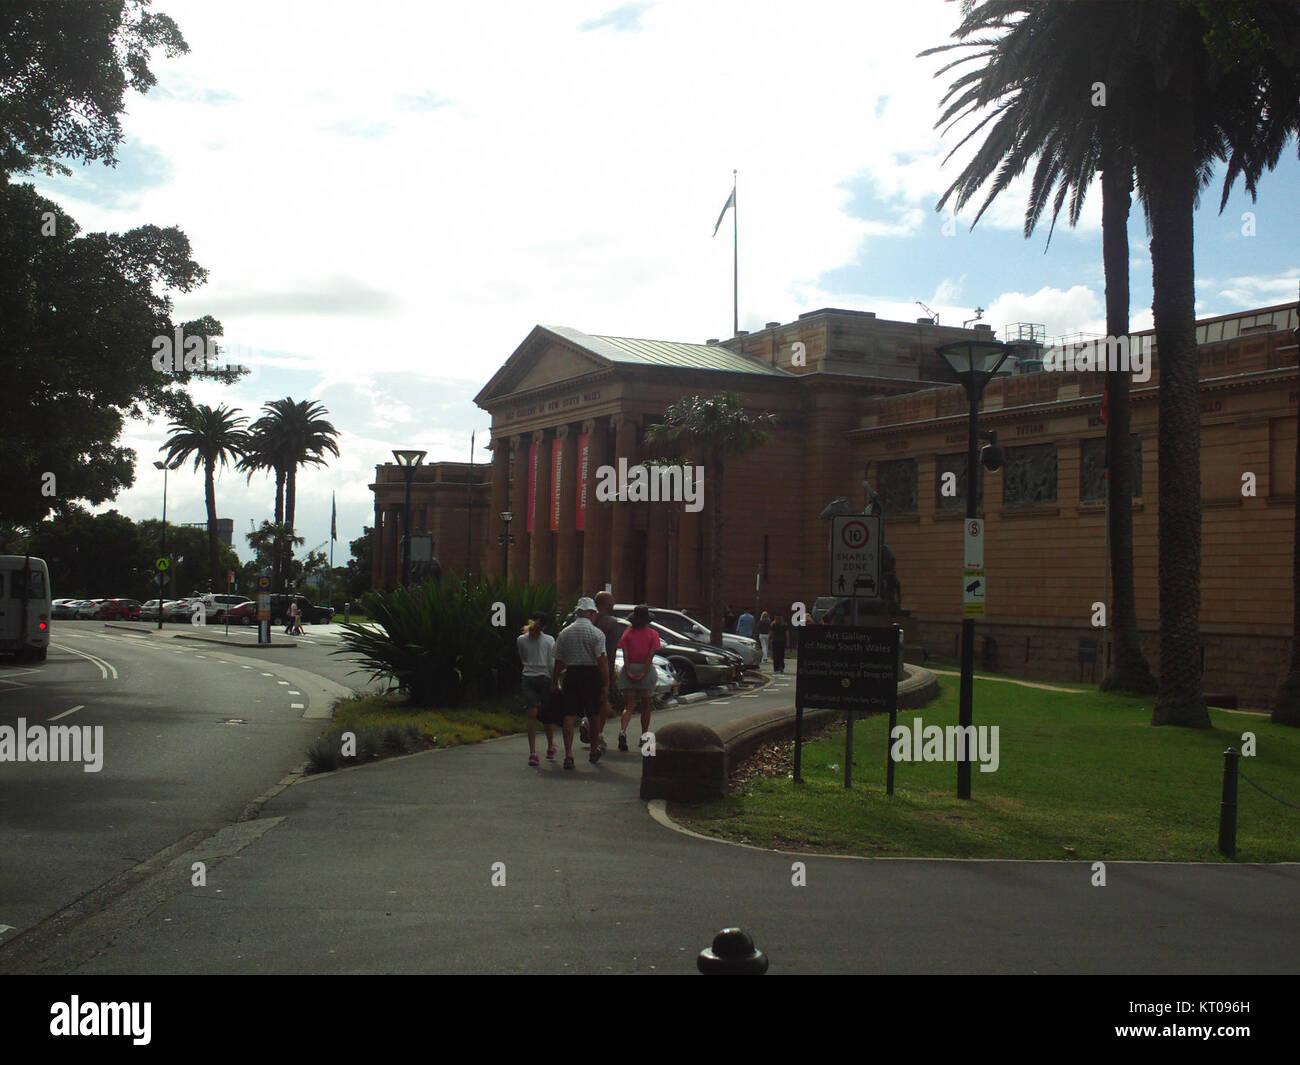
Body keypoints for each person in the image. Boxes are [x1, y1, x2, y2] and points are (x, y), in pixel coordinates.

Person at [552, 597, 609, 769]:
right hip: (591, 674)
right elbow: (601, 660)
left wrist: (554, 680)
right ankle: (593, 751)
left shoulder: (565, 632)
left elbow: (559, 661)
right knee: (593, 715)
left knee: (568, 715)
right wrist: (606, 683)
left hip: (572, 674)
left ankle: (569, 754)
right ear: (591, 613)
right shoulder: (597, 633)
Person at [617, 604, 661, 752]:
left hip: (630, 669)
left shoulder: (627, 633)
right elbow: (651, 654)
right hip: (645, 670)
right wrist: (644, 671)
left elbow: (625, 654)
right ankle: (644, 736)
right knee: (645, 706)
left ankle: (623, 731)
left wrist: (628, 670)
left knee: (628, 706)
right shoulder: (653, 634)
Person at [517, 612, 557, 767]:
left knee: (546, 714)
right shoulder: (521, 640)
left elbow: (551, 662)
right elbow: (523, 657)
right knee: (532, 713)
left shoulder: (548, 640)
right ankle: (533, 752)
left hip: (544, 677)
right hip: (529, 676)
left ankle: (550, 745)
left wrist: (553, 680)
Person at [590, 591, 623, 751]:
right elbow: (610, 651)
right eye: (611, 602)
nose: (613, 604)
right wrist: (610, 673)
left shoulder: (588, 621)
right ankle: (599, 734)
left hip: (584, 667)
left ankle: (585, 721)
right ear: (606, 604)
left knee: (587, 699)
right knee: (602, 701)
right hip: (602, 667)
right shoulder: (611, 623)